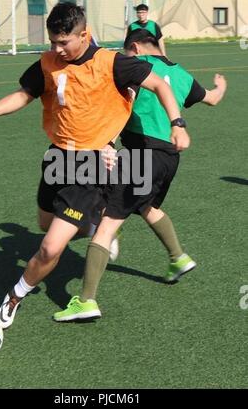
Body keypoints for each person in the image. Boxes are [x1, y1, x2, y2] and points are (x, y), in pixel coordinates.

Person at [0, 4, 189, 329]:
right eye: (53, 42)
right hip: (57, 158)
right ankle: (97, 229)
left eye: (63, 42)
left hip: (91, 166)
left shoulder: (113, 63)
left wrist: (177, 123)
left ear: (84, 34)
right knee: (43, 224)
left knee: (50, 247)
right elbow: (25, 94)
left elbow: (161, 86)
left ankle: (12, 300)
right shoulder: (48, 62)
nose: (57, 49)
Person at [53, 28, 227, 322]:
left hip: (140, 152)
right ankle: (178, 258)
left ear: (134, 47)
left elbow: (110, 102)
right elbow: (212, 99)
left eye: (127, 53)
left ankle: (86, 300)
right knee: (147, 206)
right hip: (169, 157)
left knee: (107, 223)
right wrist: (220, 86)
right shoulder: (181, 73)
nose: (126, 58)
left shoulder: (134, 68)